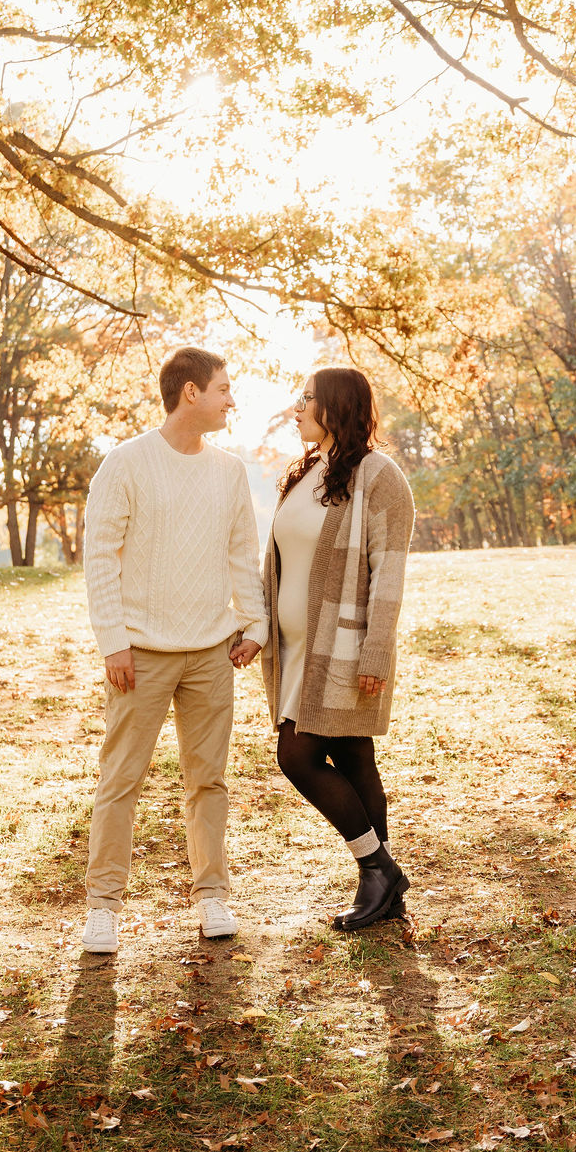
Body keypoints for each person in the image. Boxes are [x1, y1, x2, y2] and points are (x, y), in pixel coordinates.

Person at [80, 346, 266, 951]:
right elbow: (99, 557)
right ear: (191, 393)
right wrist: (114, 642)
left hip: (212, 651)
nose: (231, 399)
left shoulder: (230, 471)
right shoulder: (126, 463)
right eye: (223, 388)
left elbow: (242, 552)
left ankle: (213, 895)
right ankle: (103, 907)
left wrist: (255, 623)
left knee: (208, 781)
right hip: (141, 654)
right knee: (120, 780)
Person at [260, 367, 415, 932]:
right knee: (353, 759)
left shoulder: (379, 475)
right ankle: (382, 886)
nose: (297, 409)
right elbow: (279, 564)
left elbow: (388, 572)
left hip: (343, 648)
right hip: (298, 649)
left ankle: (377, 869)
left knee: (296, 756)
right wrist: (256, 628)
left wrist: (377, 652)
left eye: (307, 400)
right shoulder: (303, 473)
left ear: (335, 406)